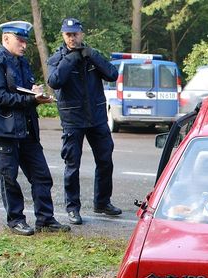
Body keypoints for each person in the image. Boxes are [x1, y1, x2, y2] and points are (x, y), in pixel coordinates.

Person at [0, 21, 71, 236]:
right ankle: (16, 220)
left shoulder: (22, 62)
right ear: (6, 39)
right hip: (4, 129)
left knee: (42, 176)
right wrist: (32, 100)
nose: (24, 45)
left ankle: (45, 220)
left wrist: (34, 92)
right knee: (9, 177)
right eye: (20, 40)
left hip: (27, 129)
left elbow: (21, 91)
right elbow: (0, 96)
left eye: (25, 41)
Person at [47, 17, 121, 226]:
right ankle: (72, 208)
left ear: (82, 34)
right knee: (73, 165)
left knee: (105, 160)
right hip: (73, 120)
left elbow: (112, 74)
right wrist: (71, 58)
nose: (72, 38)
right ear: (63, 36)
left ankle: (102, 202)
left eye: (75, 34)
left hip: (96, 118)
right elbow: (54, 81)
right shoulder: (57, 59)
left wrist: (92, 55)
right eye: (68, 35)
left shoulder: (92, 56)